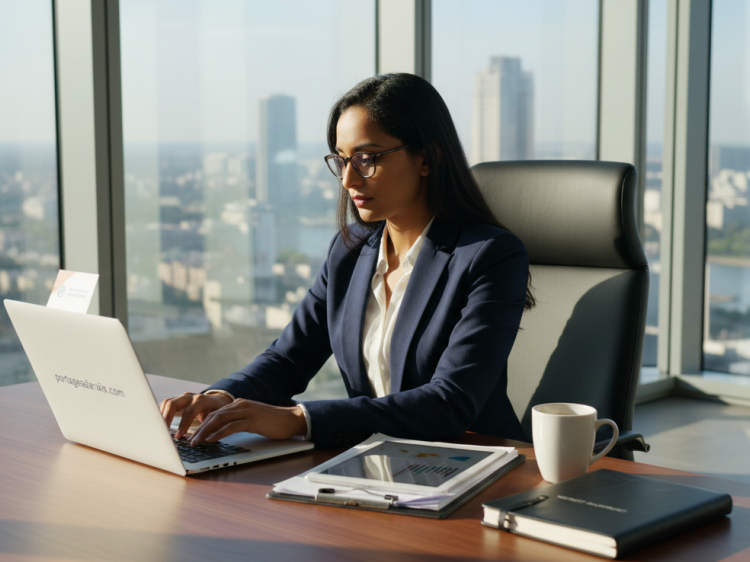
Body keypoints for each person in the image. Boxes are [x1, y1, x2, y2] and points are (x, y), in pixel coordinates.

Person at [161, 73, 535, 449]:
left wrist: (299, 419)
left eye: (367, 159)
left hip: (473, 463)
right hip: (375, 460)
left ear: (427, 158)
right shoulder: (350, 251)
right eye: (342, 161)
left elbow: (449, 403)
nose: (349, 180)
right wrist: (223, 397)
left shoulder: (490, 257)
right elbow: (289, 359)